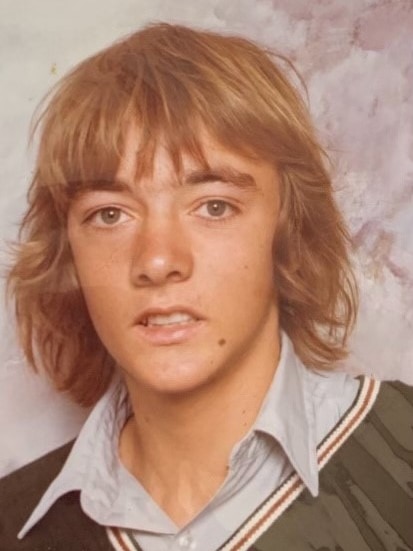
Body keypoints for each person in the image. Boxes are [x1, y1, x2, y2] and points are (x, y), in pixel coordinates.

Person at [1, 22, 412, 551]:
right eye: (109, 214)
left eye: (214, 207)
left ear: (286, 229)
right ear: (69, 256)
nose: (156, 260)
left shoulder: (399, 452)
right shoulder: (16, 526)